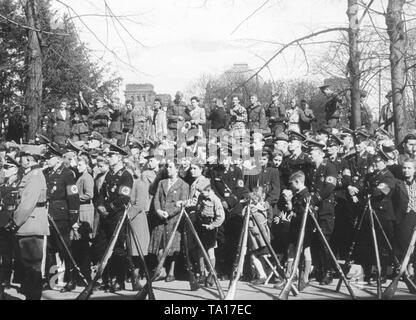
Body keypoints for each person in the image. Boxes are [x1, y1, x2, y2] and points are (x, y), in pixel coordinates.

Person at [5, 151, 48, 300]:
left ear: (29, 159)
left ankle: (33, 296)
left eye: (22, 158)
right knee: (28, 264)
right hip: (28, 223)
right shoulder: (30, 175)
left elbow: (27, 204)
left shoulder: (35, 176)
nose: (20, 161)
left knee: (32, 264)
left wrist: (15, 222)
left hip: (31, 222)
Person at [96, 144, 133, 292]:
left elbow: (123, 198)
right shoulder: (109, 174)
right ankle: (106, 279)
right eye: (108, 155)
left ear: (119, 158)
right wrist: (99, 205)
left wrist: (108, 208)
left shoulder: (126, 175)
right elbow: (101, 194)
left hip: (117, 215)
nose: (109, 158)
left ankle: (119, 280)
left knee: (118, 249)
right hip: (105, 216)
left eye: (111, 156)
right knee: (103, 248)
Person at [44, 144, 80, 293]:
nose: (47, 160)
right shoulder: (47, 172)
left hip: (61, 216)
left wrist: (73, 219)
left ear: (58, 159)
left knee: (65, 249)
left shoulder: (67, 174)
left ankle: (71, 280)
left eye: (49, 157)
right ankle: (51, 280)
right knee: (50, 249)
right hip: (48, 214)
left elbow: (73, 197)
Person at [148, 160, 189, 282]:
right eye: (167, 167)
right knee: (159, 246)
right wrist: (159, 211)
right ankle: (162, 270)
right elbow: (156, 199)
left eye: (170, 167)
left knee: (173, 248)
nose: (167, 169)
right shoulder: (162, 183)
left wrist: (169, 213)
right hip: (160, 218)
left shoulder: (183, 185)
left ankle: (171, 272)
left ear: (177, 169)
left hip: (173, 220)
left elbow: (183, 203)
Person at [306, 139, 337, 285]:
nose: (310, 154)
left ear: (319, 153)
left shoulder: (329, 167)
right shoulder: (312, 169)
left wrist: (315, 199)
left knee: (325, 240)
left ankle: (328, 271)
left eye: (311, 152)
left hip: (325, 208)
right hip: (314, 209)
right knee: (315, 241)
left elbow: (329, 186)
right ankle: (318, 269)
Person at [125, 159, 150, 291]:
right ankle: (133, 277)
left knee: (137, 251)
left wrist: (127, 215)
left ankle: (136, 278)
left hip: (137, 220)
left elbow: (139, 204)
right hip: (130, 218)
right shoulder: (130, 183)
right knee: (131, 250)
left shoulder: (139, 184)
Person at [72, 155, 95, 284]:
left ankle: (87, 275)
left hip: (85, 210)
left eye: (80, 164)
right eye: (77, 164)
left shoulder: (87, 178)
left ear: (86, 165)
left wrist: (75, 198)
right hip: (80, 208)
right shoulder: (80, 177)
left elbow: (89, 195)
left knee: (84, 241)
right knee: (79, 243)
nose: (77, 166)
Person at [0, 157, 20, 297]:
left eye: (8, 168)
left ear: (15, 169)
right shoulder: (3, 184)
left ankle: (15, 278)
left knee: (16, 252)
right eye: (4, 168)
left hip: (12, 220)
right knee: (5, 252)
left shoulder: (19, 184)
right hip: (2, 219)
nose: (5, 170)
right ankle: (5, 279)